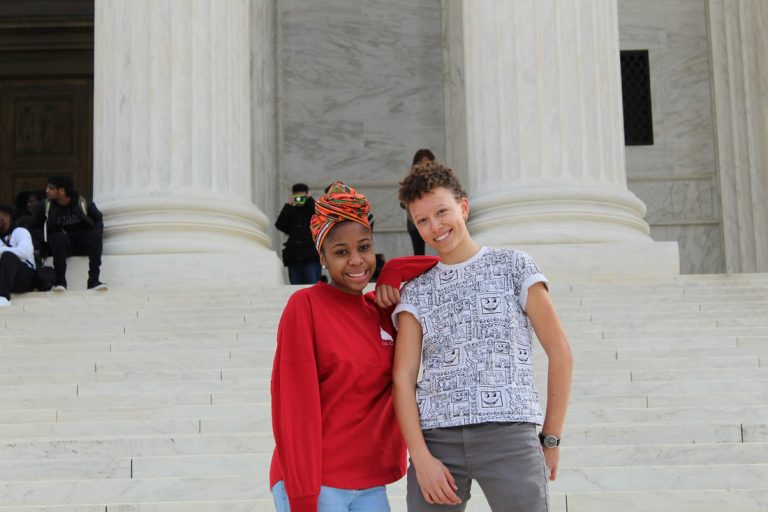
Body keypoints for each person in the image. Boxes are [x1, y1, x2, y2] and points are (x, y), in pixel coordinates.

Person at [387, 162, 573, 512]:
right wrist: (422, 459)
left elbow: (560, 352)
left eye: (442, 212)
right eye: (422, 220)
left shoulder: (515, 266)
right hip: (437, 442)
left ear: (463, 207)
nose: (435, 226)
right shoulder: (416, 290)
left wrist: (551, 437)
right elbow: (403, 378)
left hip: (510, 435)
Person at [270, 182, 438, 512]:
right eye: (341, 252)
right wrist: (304, 496)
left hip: (369, 485)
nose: (356, 261)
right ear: (322, 256)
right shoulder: (305, 306)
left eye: (364, 247)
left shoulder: (381, 311)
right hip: (316, 482)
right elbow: (293, 403)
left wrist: (394, 270)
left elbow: (446, 262)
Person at [31, 176, 106, 291]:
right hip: (61, 245)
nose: (47, 190)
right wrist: (47, 238)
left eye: (51, 188)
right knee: (58, 238)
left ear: (61, 191)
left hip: (82, 242)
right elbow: (34, 227)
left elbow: (98, 219)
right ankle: (60, 282)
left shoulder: (82, 203)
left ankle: (93, 281)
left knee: (94, 236)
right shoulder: (45, 206)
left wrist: (97, 233)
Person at [275, 183, 322, 285]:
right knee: (296, 289)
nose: (299, 199)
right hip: (294, 258)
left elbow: (320, 217)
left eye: (302, 197)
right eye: (297, 197)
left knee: (312, 287)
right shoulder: (291, 211)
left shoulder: (311, 209)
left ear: (307, 195)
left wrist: (310, 201)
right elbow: (280, 224)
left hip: (311, 257)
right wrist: (288, 206)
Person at [0, 204, 36, 307]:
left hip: (24, 278)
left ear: (6, 218)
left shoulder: (20, 232)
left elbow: (26, 251)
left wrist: (2, 251)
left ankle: (3, 297)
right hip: (5, 278)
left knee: (8, 256)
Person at [401, 149, 435, 256]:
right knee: (419, 252)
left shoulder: (437, 178)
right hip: (415, 222)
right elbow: (403, 201)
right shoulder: (411, 179)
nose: (424, 164)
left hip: (434, 219)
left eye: (427, 161)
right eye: (421, 161)